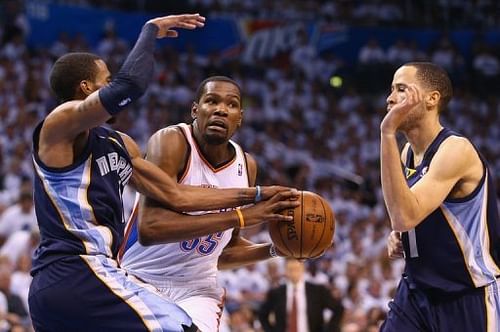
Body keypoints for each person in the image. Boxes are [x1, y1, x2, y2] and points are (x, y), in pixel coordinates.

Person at [29, 15, 298, 332]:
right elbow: (129, 86)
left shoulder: (118, 143)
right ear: (87, 87)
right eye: (106, 79)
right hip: (79, 269)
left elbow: (175, 194)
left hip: (73, 283)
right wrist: (150, 32)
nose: (111, 84)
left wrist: (255, 196)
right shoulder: (58, 126)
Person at [119, 76, 300, 332]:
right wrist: (241, 216)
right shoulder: (172, 141)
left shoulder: (246, 165)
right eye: (211, 101)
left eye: (231, 104)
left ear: (240, 118)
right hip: (140, 278)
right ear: (195, 109)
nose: (221, 109)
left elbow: (224, 252)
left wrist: (276, 249)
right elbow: (151, 229)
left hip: (198, 288)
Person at [380, 62, 500, 331]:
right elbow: (411, 213)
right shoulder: (408, 152)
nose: (390, 98)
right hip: (415, 290)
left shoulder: (455, 150)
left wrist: (387, 133)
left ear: (432, 99)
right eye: (391, 90)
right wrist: (401, 236)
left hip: (465, 294)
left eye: (401, 89)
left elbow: (404, 215)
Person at [258, 259, 344, 332]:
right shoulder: (276, 293)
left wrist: (330, 329)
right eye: (290, 269)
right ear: (285, 271)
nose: (294, 272)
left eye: (297, 269)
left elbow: (338, 308)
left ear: (303, 269)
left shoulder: (317, 291)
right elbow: (262, 313)